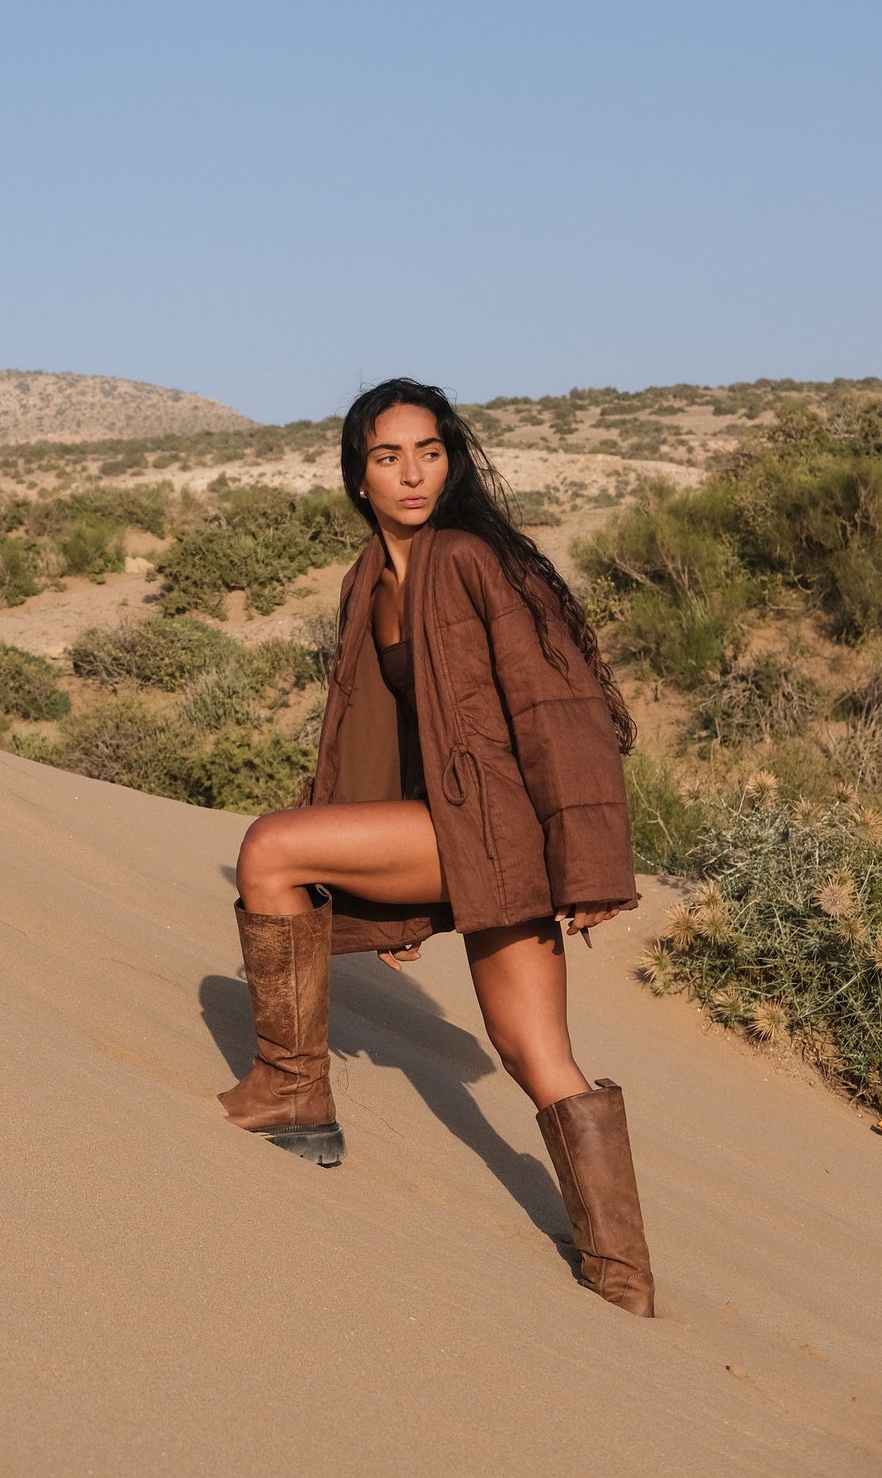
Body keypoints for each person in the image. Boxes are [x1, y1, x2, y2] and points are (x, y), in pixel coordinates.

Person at [218, 378, 655, 1317]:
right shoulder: (368, 580)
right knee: (535, 1054)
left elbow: (556, 709)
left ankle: (291, 1093)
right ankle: (623, 1280)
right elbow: (376, 741)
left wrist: (589, 862)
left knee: (269, 852)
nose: (412, 473)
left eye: (428, 451)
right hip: (462, 833)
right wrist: (386, 894)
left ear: (450, 461)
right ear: (358, 476)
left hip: (495, 828)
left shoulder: (464, 559)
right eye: (387, 456)